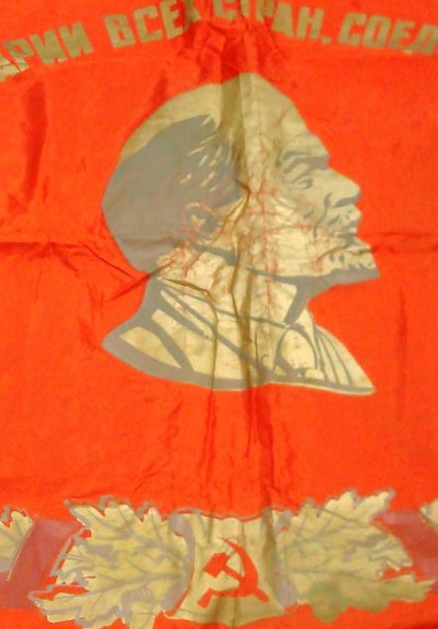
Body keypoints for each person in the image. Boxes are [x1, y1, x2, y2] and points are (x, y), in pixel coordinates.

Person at [101, 73, 377, 395]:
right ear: (203, 223)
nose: (349, 188)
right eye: (302, 174)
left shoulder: (333, 357)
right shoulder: (151, 353)